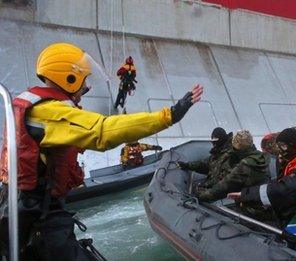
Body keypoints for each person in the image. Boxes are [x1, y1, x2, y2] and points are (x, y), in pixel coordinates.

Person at [0, 42, 203, 260]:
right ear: (69, 78)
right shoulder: (51, 113)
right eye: (83, 81)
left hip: (25, 208)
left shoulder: (35, 105)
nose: (85, 88)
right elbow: (103, 130)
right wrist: (170, 115)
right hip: (40, 215)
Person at [228, 128, 296, 228]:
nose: (279, 151)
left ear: (292, 146)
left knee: (260, 222)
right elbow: (284, 183)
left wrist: (246, 195)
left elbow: (282, 189)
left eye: (282, 146)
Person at [198, 130, 269, 202]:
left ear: (239, 149)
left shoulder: (245, 165)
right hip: (263, 200)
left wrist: (203, 195)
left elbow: (226, 185)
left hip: (251, 207)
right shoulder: (260, 157)